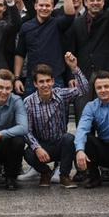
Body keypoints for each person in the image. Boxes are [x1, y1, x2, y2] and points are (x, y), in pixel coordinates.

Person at [22, 55, 86, 189]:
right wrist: (37, 148)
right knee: (28, 153)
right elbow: (26, 130)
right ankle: (45, 173)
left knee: (69, 139)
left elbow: (84, 89)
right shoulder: (28, 102)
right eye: (41, 82)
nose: (45, 85)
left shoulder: (61, 94)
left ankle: (64, 175)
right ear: (35, 84)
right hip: (42, 145)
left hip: (59, 143)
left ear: (52, 81)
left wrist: (74, 68)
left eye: (48, 81)